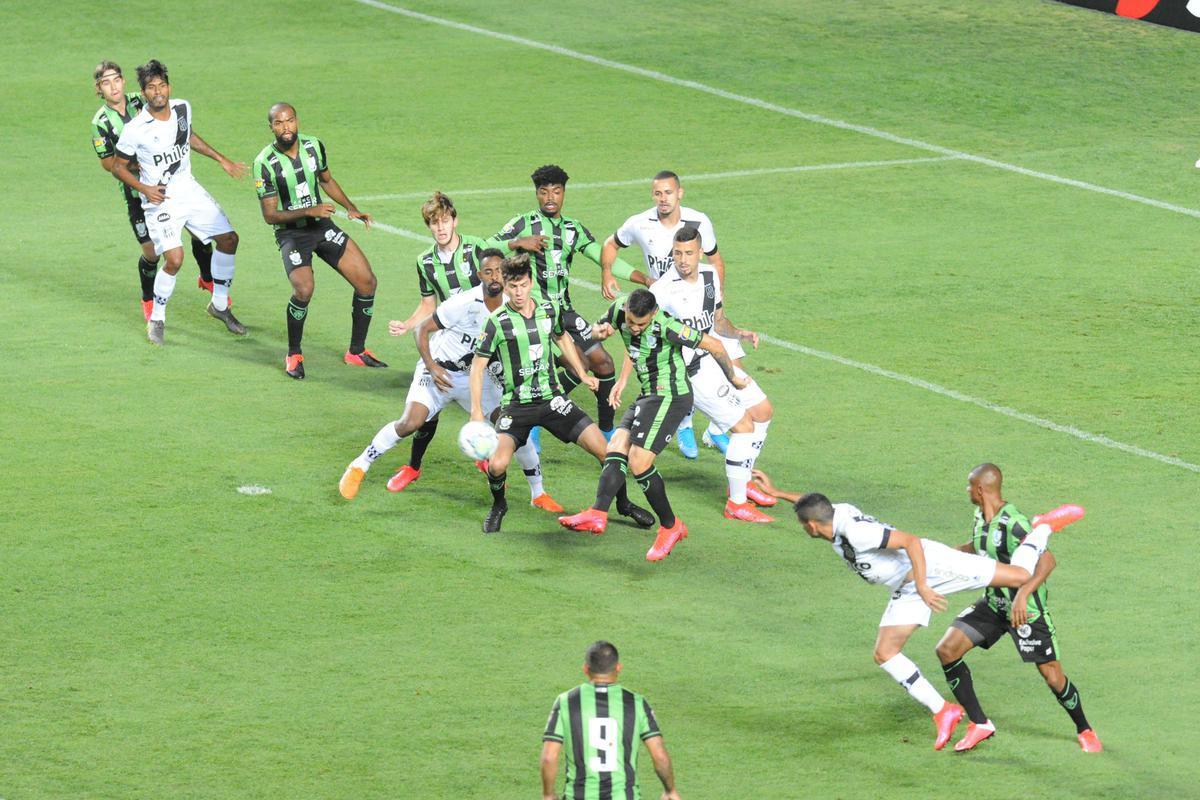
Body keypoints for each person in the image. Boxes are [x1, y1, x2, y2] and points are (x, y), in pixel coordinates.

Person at [751, 469, 1084, 750]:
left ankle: (1042, 527)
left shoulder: (856, 531)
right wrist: (778, 492)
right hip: (908, 585)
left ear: (811, 527)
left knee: (1021, 575)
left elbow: (909, 541)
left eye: (803, 525)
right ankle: (944, 711)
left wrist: (924, 586)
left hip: (935, 567)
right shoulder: (831, 516)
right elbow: (813, 505)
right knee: (885, 653)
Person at [338, 250, 562, 513]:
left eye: (499, 271)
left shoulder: (511, 304)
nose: (494, 277)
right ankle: (359, 465)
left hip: (476, 377)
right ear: (480, 275)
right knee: (411, 422)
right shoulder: (463, 302)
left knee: (514, 427)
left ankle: (538, 493)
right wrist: (432, 367)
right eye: (487, 272)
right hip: (439, 372)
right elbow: (422, 330)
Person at [468, 254, 653, 534]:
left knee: (608, 453)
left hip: (553, 400)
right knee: (497, 464)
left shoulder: (548, 309)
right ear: (505, 287)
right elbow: (477, 367)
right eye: (513, 287)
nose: (518, 292)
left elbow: (563, 338)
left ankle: (623, 503)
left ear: (531, 283)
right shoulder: (496, 322)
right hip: (517, 406)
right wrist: (476, 411)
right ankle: (499, 505)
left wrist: (581, 374)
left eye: (523, 285)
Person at [559, 289, 748, 560]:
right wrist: (597, 332)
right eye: (631, 322)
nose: (634, 328)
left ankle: (671, 526)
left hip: (671, 397)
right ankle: (598, 512)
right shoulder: (619, 310)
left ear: (654, 314)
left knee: (638, 462)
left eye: (641, 324)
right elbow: (601, 333)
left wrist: (734, 379)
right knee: (616, 446)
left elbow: (715, 346)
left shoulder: (668, 326)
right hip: (649, 395)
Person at [933, 463, 1101, 752]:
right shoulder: (979, 516)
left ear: (981, 489)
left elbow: (1047, 560)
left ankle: (1085, 729)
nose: (967, 490)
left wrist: (1023, 593)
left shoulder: (1015, 522)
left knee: (1052, 676)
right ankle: (980, 724)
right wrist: (945, 555)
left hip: (1027, 613)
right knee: (947, 650)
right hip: (995, 605)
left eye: (969, 486)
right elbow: (979, 546)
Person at [492, 165, 643, 441]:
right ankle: (534, 418)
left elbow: (603, 255)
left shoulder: (572, 229)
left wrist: (643, 278)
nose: (550, 197)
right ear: (537, 194)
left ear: (563, 193)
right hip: (534, 315)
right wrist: (517, 242)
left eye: (556, 191)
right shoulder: (524, 223)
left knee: (605, 364)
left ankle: (607, 431)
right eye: (544, 191)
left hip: (565, 312)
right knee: (578, 367)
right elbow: (486, 248)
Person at [110, 59, 246, 345]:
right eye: (151, 87)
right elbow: (118, 167)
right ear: (144, 92)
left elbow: (188, 137)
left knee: (229, 239)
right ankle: (157, 319)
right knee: (174, 259)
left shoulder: (182, 107)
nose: (158, 91)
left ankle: (220, 306)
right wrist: (145, 188)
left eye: (162, 85)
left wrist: (222, 159)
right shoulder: (136, 128)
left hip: (189, 189)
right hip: (161, 200)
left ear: (168, 86)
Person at [601, 170, 730, 459]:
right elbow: (610, 244)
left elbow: (716, 261)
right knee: (678, 366)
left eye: (668, 193)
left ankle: (717, 428)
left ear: (680, 193)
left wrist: (715, 299)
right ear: (652, 195)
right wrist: (607, 273)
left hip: (697, 302)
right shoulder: (639, 223)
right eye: (658, 193)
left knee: (722, 360)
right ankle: (684, 425)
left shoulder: (699, 221)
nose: (663, 199)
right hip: (660, 305)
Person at [650, 228, 775, 522]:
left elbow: (717, 322)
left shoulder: (709, 276)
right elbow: (645, 335)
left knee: (763, 411)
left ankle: (742, 479)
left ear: (700, 252)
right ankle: (737, 502)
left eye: (689, 253)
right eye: (677, 253)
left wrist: (739, 333)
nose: (682, 260)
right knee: (743, 427)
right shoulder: (662, 291)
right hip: (691, 371)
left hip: (716, 359)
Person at [252, 103, 385, 378]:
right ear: (271, 127)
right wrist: (309, 210)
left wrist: (351, 207)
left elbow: (326, 180)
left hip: (321, 227)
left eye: (289, 121)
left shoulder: (314, 146)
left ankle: (356, 351)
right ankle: (293, 354)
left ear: (297, 121)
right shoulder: (263, 163)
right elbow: (270, 215)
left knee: (367, 281)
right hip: (291, 234)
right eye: (279, 123)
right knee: (304, 290)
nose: (286, 127)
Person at [386, 192, 503, 489]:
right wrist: (408, 324)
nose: (440, 228)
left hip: (484, 338)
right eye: (434, 223)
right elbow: (428, 305)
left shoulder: (476, 248)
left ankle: (490, 453)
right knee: (428, 409)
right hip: (448, 341)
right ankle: (413, 467)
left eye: (445, 221)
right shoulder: (424, 261)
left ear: (455, 220)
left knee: (496, 400)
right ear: (428, 226)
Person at [90, 60, 214, 321]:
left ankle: (206, 277)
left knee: (201, 232)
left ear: (123, 81)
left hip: (169, 185)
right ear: (99, 89)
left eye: (116, 79)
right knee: (151, 253)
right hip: (137, 194)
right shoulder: (100, 123)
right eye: (105, 82)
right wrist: (138, 162)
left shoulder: (143, 99)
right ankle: (148, 300)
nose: (113, 86)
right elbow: (107, 163)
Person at [541, 641, 681, 800]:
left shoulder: (566, 702)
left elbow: (549, 757)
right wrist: (670, 790)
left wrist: (548, 794)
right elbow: (660, 756)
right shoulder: (636, 703)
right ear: (618, 668)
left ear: (586, 669)